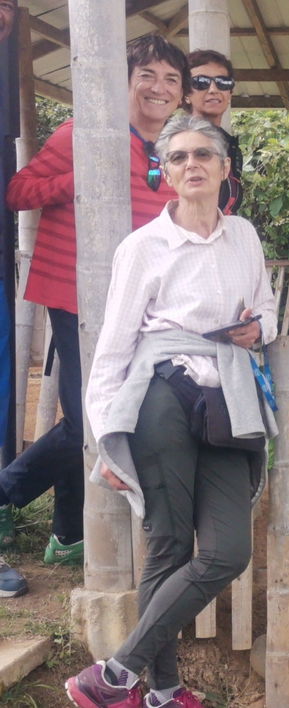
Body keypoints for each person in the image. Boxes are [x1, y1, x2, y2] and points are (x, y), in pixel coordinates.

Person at [64, 114, 277, 708]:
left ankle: (113, 673)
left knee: (227, 551)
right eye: (178, 157)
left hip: (227, 395)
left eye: (203, 154)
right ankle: (161, 692)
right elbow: (113, 345)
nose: (192, 165)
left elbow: (266, 306)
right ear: (166, 173)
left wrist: (261, 326)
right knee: (168, 545)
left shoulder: (245, 237)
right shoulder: (142, 247)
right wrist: (107, 437)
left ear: (224, 168)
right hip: (161, 393)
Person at [0, 34, 186, 596]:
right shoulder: (83, 133)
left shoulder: (174, 148)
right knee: (91, 421)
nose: (159, 88)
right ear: (125, 81)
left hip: (144, 307)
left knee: (106, 414)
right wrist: (80, 182)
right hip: (76, 293)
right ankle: (7, 493)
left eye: (171, 79)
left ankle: (65, 533)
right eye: (148, 75)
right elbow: (19, 191)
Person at [185, 49, 242, 214]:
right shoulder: (176, 143)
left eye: (222, 83)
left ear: (230, 93)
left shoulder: (229, 145)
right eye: (201, 82)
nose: (213, 90)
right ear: (186, 93)